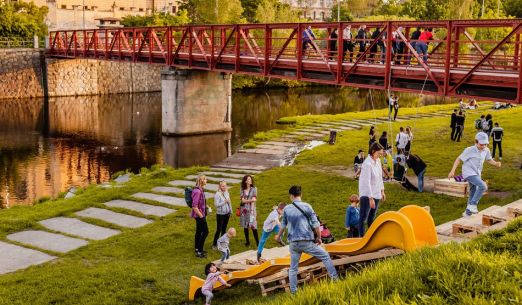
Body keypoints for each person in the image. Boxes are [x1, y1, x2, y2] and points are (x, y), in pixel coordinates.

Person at [275, 185, 338, 294]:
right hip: (306, 241)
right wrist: (319, 238)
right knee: (325, 256)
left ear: (291, 196)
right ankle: (335, 280)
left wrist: (278, 236)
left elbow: (283, 224)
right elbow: (316, 224)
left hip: (293, 243)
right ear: (301, 194)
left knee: (293, 268)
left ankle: (293, 292)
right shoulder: (307, 206)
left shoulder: (287, 209)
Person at [448, 132, 501, 217]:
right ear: (476, 142)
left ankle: (467, 213)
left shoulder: (486, 150)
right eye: (481, 144)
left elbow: (489, 159)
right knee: (483, 186)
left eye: (485, 144)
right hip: (468, 172)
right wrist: (452, 171)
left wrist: (496, 163)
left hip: (477, 173)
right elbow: (459, 159)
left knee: (473, 190)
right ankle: (473, 204)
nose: (483, 146)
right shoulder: (469, 150)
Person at [358, 142, 386, 236]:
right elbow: (367, 182)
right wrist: (370, 198)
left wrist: (382, 191)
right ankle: (361, 238)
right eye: (379, 154)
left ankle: (370, 237)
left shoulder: (377, 161)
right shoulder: (367, 164)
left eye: (381, 154)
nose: (380, 156)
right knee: (363, 218)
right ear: (373, 151)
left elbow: (379, 177)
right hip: (367, 195)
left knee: (372, 217)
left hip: (377, 192)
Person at [192, 175, 209, 258]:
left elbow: (200, 203)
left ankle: (197, 248)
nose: (206, 180)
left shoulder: (201, 190)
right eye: (205, 179)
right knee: (205, 232)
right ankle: (199, 251)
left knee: (199, 231)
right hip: (199, 215)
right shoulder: (197, 191)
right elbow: (194, 206)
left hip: (201, 213)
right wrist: (201, 216)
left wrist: (206, 206)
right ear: (201, 181)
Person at [240, 175, 259, 247]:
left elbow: (254, 200)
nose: (250, 180)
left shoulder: (254, 189)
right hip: (244, 210)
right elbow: (243, 200)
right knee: (245, 226)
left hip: (252, 210)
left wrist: (251, 210)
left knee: (253, 226)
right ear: (245, 181)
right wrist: (250, 200)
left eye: (250, 179)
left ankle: (258, 242)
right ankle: (247, 242)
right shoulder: (242, 189)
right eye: (248, 179)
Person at [212, 181, 232, 249]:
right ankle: (214, 244)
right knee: (219, 229)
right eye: (223, 186)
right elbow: (216, 205)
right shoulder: (217, 194)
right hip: (220, 214)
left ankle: (222, 243)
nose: (224, 187)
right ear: (219, 186)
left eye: (225, 186)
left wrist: (230, 211)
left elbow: (229, 202)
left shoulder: (227, 192)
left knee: (224, 229)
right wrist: (224, 202)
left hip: (227, 213)